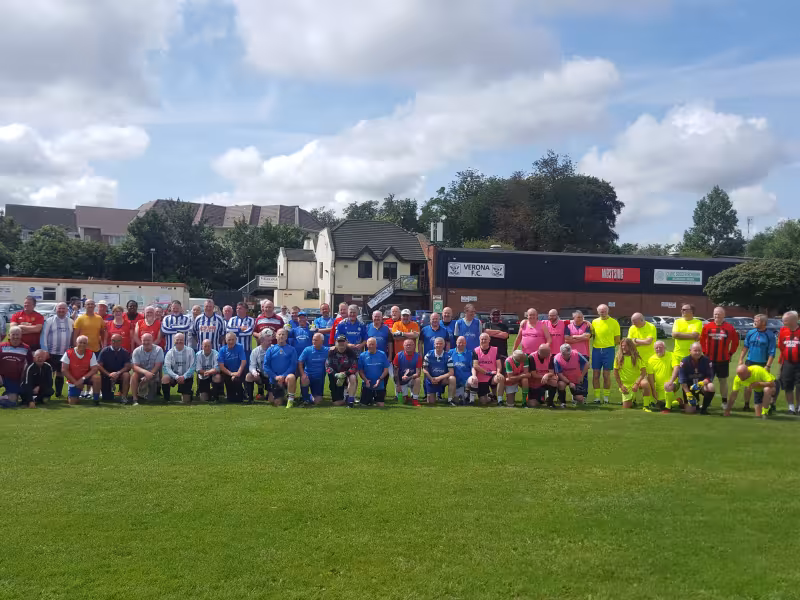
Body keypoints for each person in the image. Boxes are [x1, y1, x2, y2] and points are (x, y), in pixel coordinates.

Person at [700, 307, 739, 411]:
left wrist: (730, 353)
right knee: (707, 382)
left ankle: (724, 402)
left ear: (723, 315)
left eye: (719, 314)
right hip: (709, 360)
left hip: (723, 360)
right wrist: (704, 352)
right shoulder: (707, 327)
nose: (717, 316)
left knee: (723, 381)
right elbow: (702, 340)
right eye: (715, 314)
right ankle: (707, 402)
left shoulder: (729, 328)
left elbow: (735, 342)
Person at [738, 314, 777, 412]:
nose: (754, 322)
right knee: (748, 385)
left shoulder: (770, 335)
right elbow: (745, 347)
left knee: (765, 385)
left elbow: (772, 352)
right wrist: (741, 359)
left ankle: (768, 404)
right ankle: (746, 405)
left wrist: (768, 365)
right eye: (754, 320)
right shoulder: (751, 332)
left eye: (757, 321)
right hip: (750, 362)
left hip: (763, 363)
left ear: (763, 323)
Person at [39, 302, 73, 398]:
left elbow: (72, 337)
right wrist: (45, 350)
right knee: (49, 374)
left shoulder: (71, 321)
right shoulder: (49, 321)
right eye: (59, 308)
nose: (61, 310)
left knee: (61, 373)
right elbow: (43, 336)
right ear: (56, 309)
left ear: (67, 310)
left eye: (63, 309)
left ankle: (58, 393)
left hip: (64, 353)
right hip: (51, 353)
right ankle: (47, 393)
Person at [591, 304, 621, 404]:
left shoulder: (614, 322)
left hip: (609, 350)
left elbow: (617, 340)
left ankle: (606, 398)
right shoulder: (594, 322)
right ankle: (597, 398)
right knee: (595, 375)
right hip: (596, 350)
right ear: (598, 312)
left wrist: (609, 346)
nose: (602, 312)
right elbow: (592, 335)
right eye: (600, 311)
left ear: (608, 311)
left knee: (606, 375)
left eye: (604, 311)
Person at [61, 334, 101, 406]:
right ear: (76, 343)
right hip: (74, 379)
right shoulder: (68, 353)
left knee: (97, 377)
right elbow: (64, 370)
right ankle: (74, 394)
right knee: (72, 402)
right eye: (80, 342)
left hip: (86, 378)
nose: (82, 344)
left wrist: (82, 379)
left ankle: (96, 400)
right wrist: (76, 382)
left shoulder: (91, 353)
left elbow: (94, 369)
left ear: (87, 344)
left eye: (84, 343)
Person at [263, 328, 298, 407]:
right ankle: (283, 395)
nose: (281, 336)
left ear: (286, 337)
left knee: (291, 377)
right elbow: (266, 366)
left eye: (283, 334)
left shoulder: (292, 349)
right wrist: (275, 377)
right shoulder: (270, 349)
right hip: (274, 379)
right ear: (276, 336)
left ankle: (290, 401)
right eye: (279, 334)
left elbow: (293, 366)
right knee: (275, 402)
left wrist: (283, 376)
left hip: (285, 379)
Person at [467, 332, 505, 406]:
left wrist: (498, 373)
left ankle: (499, 400)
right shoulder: (476, 350)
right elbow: (475, 365)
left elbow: (499, 364)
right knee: (483, 401)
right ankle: (490, 397)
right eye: (482, 339)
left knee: (501, 378)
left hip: (492, 376)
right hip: (481, 376)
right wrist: (487, 373)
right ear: (479, 340)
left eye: (485, 339)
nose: (483, 341)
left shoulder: (495, 349)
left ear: (489, 340)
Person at [614, 338, 651, 410]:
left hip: (637, 382)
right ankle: (633, 400)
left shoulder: (636, 357)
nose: (623, 347)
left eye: (625, 346)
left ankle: (646, 405)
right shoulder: (618, 358)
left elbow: (643, 372)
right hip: (626, 385)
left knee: (645, 383)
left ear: (630, 346)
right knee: (627, 407)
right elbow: (615, 373)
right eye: (622, 345)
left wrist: (637, 383)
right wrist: (621, 385)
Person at [678, 342, 715, 414]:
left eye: (699, 350)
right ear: (690, 351)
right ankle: (679, 403)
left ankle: (704, 409)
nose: (697, 352)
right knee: (690, 412)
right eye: (695, 350)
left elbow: (710, 376)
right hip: (689, 387)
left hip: (700, 386)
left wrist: (701, 383)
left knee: (711, 386)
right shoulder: (684, 361)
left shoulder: (707, 360)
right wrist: (688, 393)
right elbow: (682, 380)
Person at [0, 327, 33, 406]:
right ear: (9, 335)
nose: (15, 337)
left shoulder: (26, 348)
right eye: (13, 334)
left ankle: (4, 397)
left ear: (21, 335)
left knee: (12, 402)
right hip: (1, 377)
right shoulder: (1, 346)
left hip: (14, 379)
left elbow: (30, 364)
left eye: (17, 335)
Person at [647, 341, 681, 413]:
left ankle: (668, 408)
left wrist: (671, 381)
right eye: (656, 348)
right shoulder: (651, 360)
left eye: (660, 347)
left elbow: (676, 368)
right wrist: (653, 390)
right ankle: (677, 402)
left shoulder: (672, 355)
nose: (658, 349)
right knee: (659, 405)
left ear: (665, 348)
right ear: (654, 349)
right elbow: (650, 376)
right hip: (658, 387)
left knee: (667, 386)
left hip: (672, 383)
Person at [130, 333, 164, 405]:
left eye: (148, 340)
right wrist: (146, 373)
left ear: (152, 340)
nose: (146, 342)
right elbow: (135, 366)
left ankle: (150, 391)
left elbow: (158, 365)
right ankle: (134, 399)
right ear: (141, 341)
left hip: (154, 373)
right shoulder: (137, 351)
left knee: (150, 399)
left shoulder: (158, 350)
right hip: (141, 373)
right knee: (134, 375)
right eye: (144, 340)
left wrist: (149, 374)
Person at [97, 334, 132, 404]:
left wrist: (118, 373)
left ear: (121, 342)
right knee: (107, 398)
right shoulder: (104, 351)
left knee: (126, 375)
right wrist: (109, 374)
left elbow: (127, 366)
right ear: (110, 341)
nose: (115, 343)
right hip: (106, 376)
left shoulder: (125, 352)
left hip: (120, 375)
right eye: (113, 341)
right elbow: (99, 365)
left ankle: (124, 397)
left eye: (118, 341)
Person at [162, 333, 196, 404]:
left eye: (181, 340)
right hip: (174, 376)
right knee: (165, 378)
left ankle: (189, 392)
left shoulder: (190, 351)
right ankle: (166, 399)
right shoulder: (169, 352)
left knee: (186, 401)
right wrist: (177, 377)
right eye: (177, 340)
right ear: (174, 341)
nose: (179, 341)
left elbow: (192, 367)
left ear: (184, 341)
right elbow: (167, 368)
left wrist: (184, 377)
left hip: (186, 377)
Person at [326, 334, 359, 407]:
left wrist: (344, 374)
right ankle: (345, 396)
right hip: (335, 378)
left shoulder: (351, 352)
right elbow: (327, 366)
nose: (341, 343)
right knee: (337, 403)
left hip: (347, 376)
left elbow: (354, 367)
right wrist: (336, 374)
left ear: (346, 342)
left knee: (353, 377)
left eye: (343, 341)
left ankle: (350, 401)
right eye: (339, 341)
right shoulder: (331, 352)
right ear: (336, 342)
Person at [359, 337, 391, 407]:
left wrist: (380, 379)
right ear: (366, 345)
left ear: (376, 345)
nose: (371, 346)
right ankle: (369, 398)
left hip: (379, 384)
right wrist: (366, 380)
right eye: (369, 344)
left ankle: (374, 399)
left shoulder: (382, 354)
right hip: (367, 384)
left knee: (381, 405)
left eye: (373, 344)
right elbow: (360, 371)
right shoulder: (362, 356)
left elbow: (386, 369)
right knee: (363, 405)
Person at [422, 336, 455, 405]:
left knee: (452, 379)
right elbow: (424, 369)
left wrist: (439, 378)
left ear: (444, 345)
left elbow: (451, 372)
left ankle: (450, 400)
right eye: (437, 343)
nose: (438, 345)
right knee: (431, 402)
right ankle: (433, 395)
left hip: (442, 380)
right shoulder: (428, 354)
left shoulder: (448, 356)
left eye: (440, 344)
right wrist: (431, 378)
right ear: (434, 344)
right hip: (431, 379)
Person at [778, 311, 800, 414]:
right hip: (787, 363)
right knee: (787, 385)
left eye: (785, 320)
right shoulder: (783, 330)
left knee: (799, 385)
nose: (783, 322)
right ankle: (791, 407)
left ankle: (799, 406)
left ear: (793, 320)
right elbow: (781, 346)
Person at [298, 333, 329, 405]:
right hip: (308, 375)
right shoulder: (307, 350)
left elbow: (337, 347)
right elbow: (300, 362)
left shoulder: (327, 350)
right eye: (313, 340)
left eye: (316, 340)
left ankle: (311, 396)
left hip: (319, 378)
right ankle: (305, 398)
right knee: (304, 379)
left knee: (317, 401)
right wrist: (302, 374)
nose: (314, 342)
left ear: (322, 341)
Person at [671, 303, 704, 370]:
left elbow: (695, 335)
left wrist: (679, 335)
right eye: (681, 309)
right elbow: (674, 335)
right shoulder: (677, 322)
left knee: (692, 376)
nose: (682, 311)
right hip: (677, 354)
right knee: (677, 376)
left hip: (692, 355)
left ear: (691, 311)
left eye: (684, 309)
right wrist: (691, 335)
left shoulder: (698, 322)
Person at [218, 332, 247, 403]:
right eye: (229, 340)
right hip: (227, 372)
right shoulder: (222, 350)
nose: (231, 342)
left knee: (239, 399)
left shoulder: (240, 347)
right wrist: (231, 374)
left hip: (239, 371)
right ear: (225, 340)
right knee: (231, 399)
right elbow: (221, 366)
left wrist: (238, 373)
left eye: (233, 339)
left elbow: (243, 361)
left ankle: (241, 393)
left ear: (236, 339)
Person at [527, 343, 558, 408]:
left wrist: (546, 375)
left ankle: (550, 402)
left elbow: (551, 372)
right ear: (541, 353)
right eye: (547, 353)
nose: (549, 354)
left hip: (545, 381)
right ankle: (539, 399)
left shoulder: (550, 357)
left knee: (554, 381)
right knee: (532, 404)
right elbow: (534, 375)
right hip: (534, 383)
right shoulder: (531, 357)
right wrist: (543, 377)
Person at [393, 337, 422, 406]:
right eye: (407, 345)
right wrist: (398, 385)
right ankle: (406, 396)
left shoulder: (418, 356)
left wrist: (408, 378)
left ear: (414, 346)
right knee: (403, 401)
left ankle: (415, 399)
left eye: (410, 345)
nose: (408, 346)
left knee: (417, 380)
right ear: (403, 346)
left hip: (411, 379)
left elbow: (418, 373)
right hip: (401, 381)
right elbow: (395, 373)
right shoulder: (398, 355)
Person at [246, 331, 272, 403]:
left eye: (271, 340)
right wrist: (254, 373)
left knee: (271, 400)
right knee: (249, 376)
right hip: (261, 373)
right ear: (262, 341)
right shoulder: (255, 351)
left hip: (272, 375)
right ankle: (250, 399)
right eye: (268, 341)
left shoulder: (274, 349)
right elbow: (252, 366)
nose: (270, 342)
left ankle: (269, 392)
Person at [195, 339, 221, 403]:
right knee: (204, 399)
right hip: (203, 375)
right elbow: (198, 370)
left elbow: (217, 368)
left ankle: (215, 395)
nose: (207, 348)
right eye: (205, 346)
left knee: (218, 377)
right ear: (202, 346)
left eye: (208, 346)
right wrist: (206, 372)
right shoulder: (198, 355)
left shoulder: (216, 354)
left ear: (211, 346)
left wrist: (209, 372)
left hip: (213, 374)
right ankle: (207, 392)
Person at [449, 336, 473, 405]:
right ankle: (453, 398)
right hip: (455, 381)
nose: (461, 344)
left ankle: (468, 395)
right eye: (459, 342)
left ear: (465, 343)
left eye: (463, 343)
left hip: (466, 381)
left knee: (462, 400)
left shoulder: (470, 353)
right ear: (456, 343)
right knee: (459, 400)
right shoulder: (450, 352)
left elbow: (472, 367)